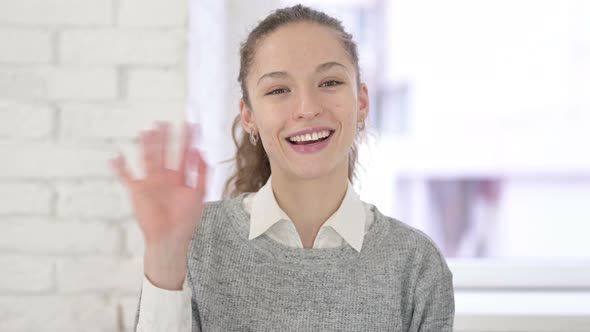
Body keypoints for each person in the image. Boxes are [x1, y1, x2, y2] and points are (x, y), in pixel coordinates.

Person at [110, 4, 454, 331]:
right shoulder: (196, 242)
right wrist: (166, 255)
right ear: (249, 117)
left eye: (330, 82)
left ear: (361, 101)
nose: (306, 108)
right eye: (278, 89)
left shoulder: (416, 264)